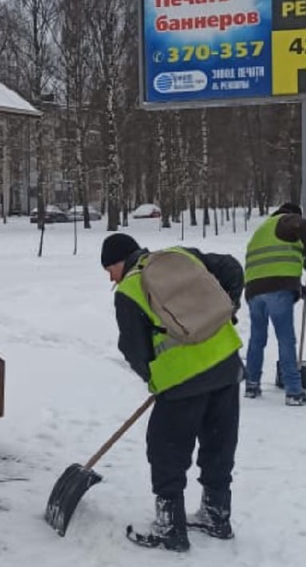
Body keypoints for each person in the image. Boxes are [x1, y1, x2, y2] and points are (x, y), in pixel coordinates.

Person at [100, 233, 246, 553]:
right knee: (218, 442)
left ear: (120, 261)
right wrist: (226, 311)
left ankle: (171, 527)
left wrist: (155, 379)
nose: (110, 277)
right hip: (226, 364)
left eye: (109, 268)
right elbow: (233, 269)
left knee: (167, 451)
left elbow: (133, 348)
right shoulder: (182, 255)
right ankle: (216, 514)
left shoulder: (129, 289)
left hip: (181, 382)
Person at [242, 202, 306, 406]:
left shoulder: (262, 230)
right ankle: (294, 391)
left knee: (257, 340)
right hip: (277, 291)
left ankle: (252, 385)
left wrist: (301, 290)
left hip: (253, 292)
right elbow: (304, 226)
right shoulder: (287, 220)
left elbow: (271, 267)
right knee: (286, 339)